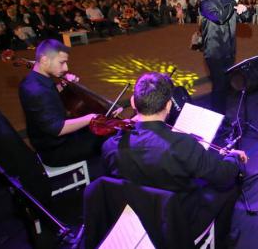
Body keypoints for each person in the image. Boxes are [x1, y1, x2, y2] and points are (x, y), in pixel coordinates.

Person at [102, 72, 247, 247]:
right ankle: (223, 239)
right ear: (169, 105)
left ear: (133, 102)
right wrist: (233, 158)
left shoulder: (110, 146)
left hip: (135, 218)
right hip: (179, 222)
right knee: (230, 184)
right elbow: (223, 176)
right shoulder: (182, 144)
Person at [19, 39, 111, 166]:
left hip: (55, 141)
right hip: (56, 150)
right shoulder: (37, 91)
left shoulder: (35, 80)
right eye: (62, 63)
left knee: (100, 130)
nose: (66, 68)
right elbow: (58, 128)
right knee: (109, 137)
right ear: (45, 60)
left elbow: (49, 97)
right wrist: (91, 117)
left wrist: (62, 85)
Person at [198, 0, 249, 115]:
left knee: (225, 86)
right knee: (219, 86)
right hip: (214, 53)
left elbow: (243, 18)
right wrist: (233, 1)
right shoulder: (205, 3)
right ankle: (217, 119)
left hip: (229, 51)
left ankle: (221, 116)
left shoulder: (227, 1)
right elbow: (220, 18)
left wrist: (243, 10)